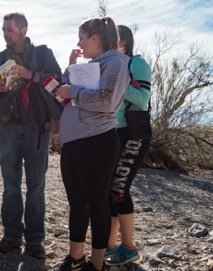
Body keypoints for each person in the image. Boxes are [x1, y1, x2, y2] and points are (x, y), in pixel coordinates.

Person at [54, 17, 130, 271]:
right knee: (76, 202)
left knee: (97, 202)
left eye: (82, 38)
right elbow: (69, 92)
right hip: (75, 142)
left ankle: (96, 264)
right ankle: (75, 259)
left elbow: (106, 101)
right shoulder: (91, 65)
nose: (79, 43)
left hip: (98, 142)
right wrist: (71, 68)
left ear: (94, 38)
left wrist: (72, 92)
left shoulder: (116, 63)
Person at [0, 12, 62, 259]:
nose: (5, 34)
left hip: (36, 128)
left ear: (23, 30)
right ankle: (11, 235)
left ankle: (35, 240)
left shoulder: (42, 54)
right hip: (7, 129)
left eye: (9, 30)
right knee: (10, 185)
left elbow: (57, 83)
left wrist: (31, 75)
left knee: (36, 185)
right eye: (4, 29)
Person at [104, 25, 152, 267]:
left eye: (111, 38)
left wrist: (120, 82)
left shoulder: (137, 63)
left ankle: (129, 248)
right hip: (114, 132)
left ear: (121, 40)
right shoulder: (112, 65)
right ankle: (110, 246)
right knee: (111, 191)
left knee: (119, 189)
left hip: (134, 132)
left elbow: (143, 99)